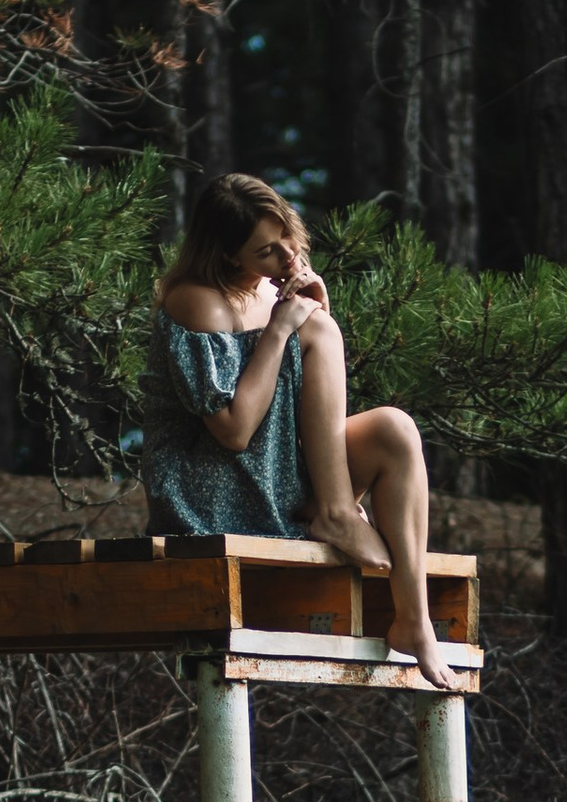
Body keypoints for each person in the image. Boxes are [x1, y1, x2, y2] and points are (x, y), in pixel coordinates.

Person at [141, 173, 459, 693]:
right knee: (312, 326)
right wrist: (282, 328)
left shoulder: (274, 293)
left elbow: (306, 405)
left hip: (279, 472)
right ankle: (336, 513)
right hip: (210, 495)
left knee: (396, 429)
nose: (287, 258)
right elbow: (235, 430)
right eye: (266, 252)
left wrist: (315, 315)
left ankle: (413, 618)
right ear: (226, 255)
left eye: (287, 236)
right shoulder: (197, 301)